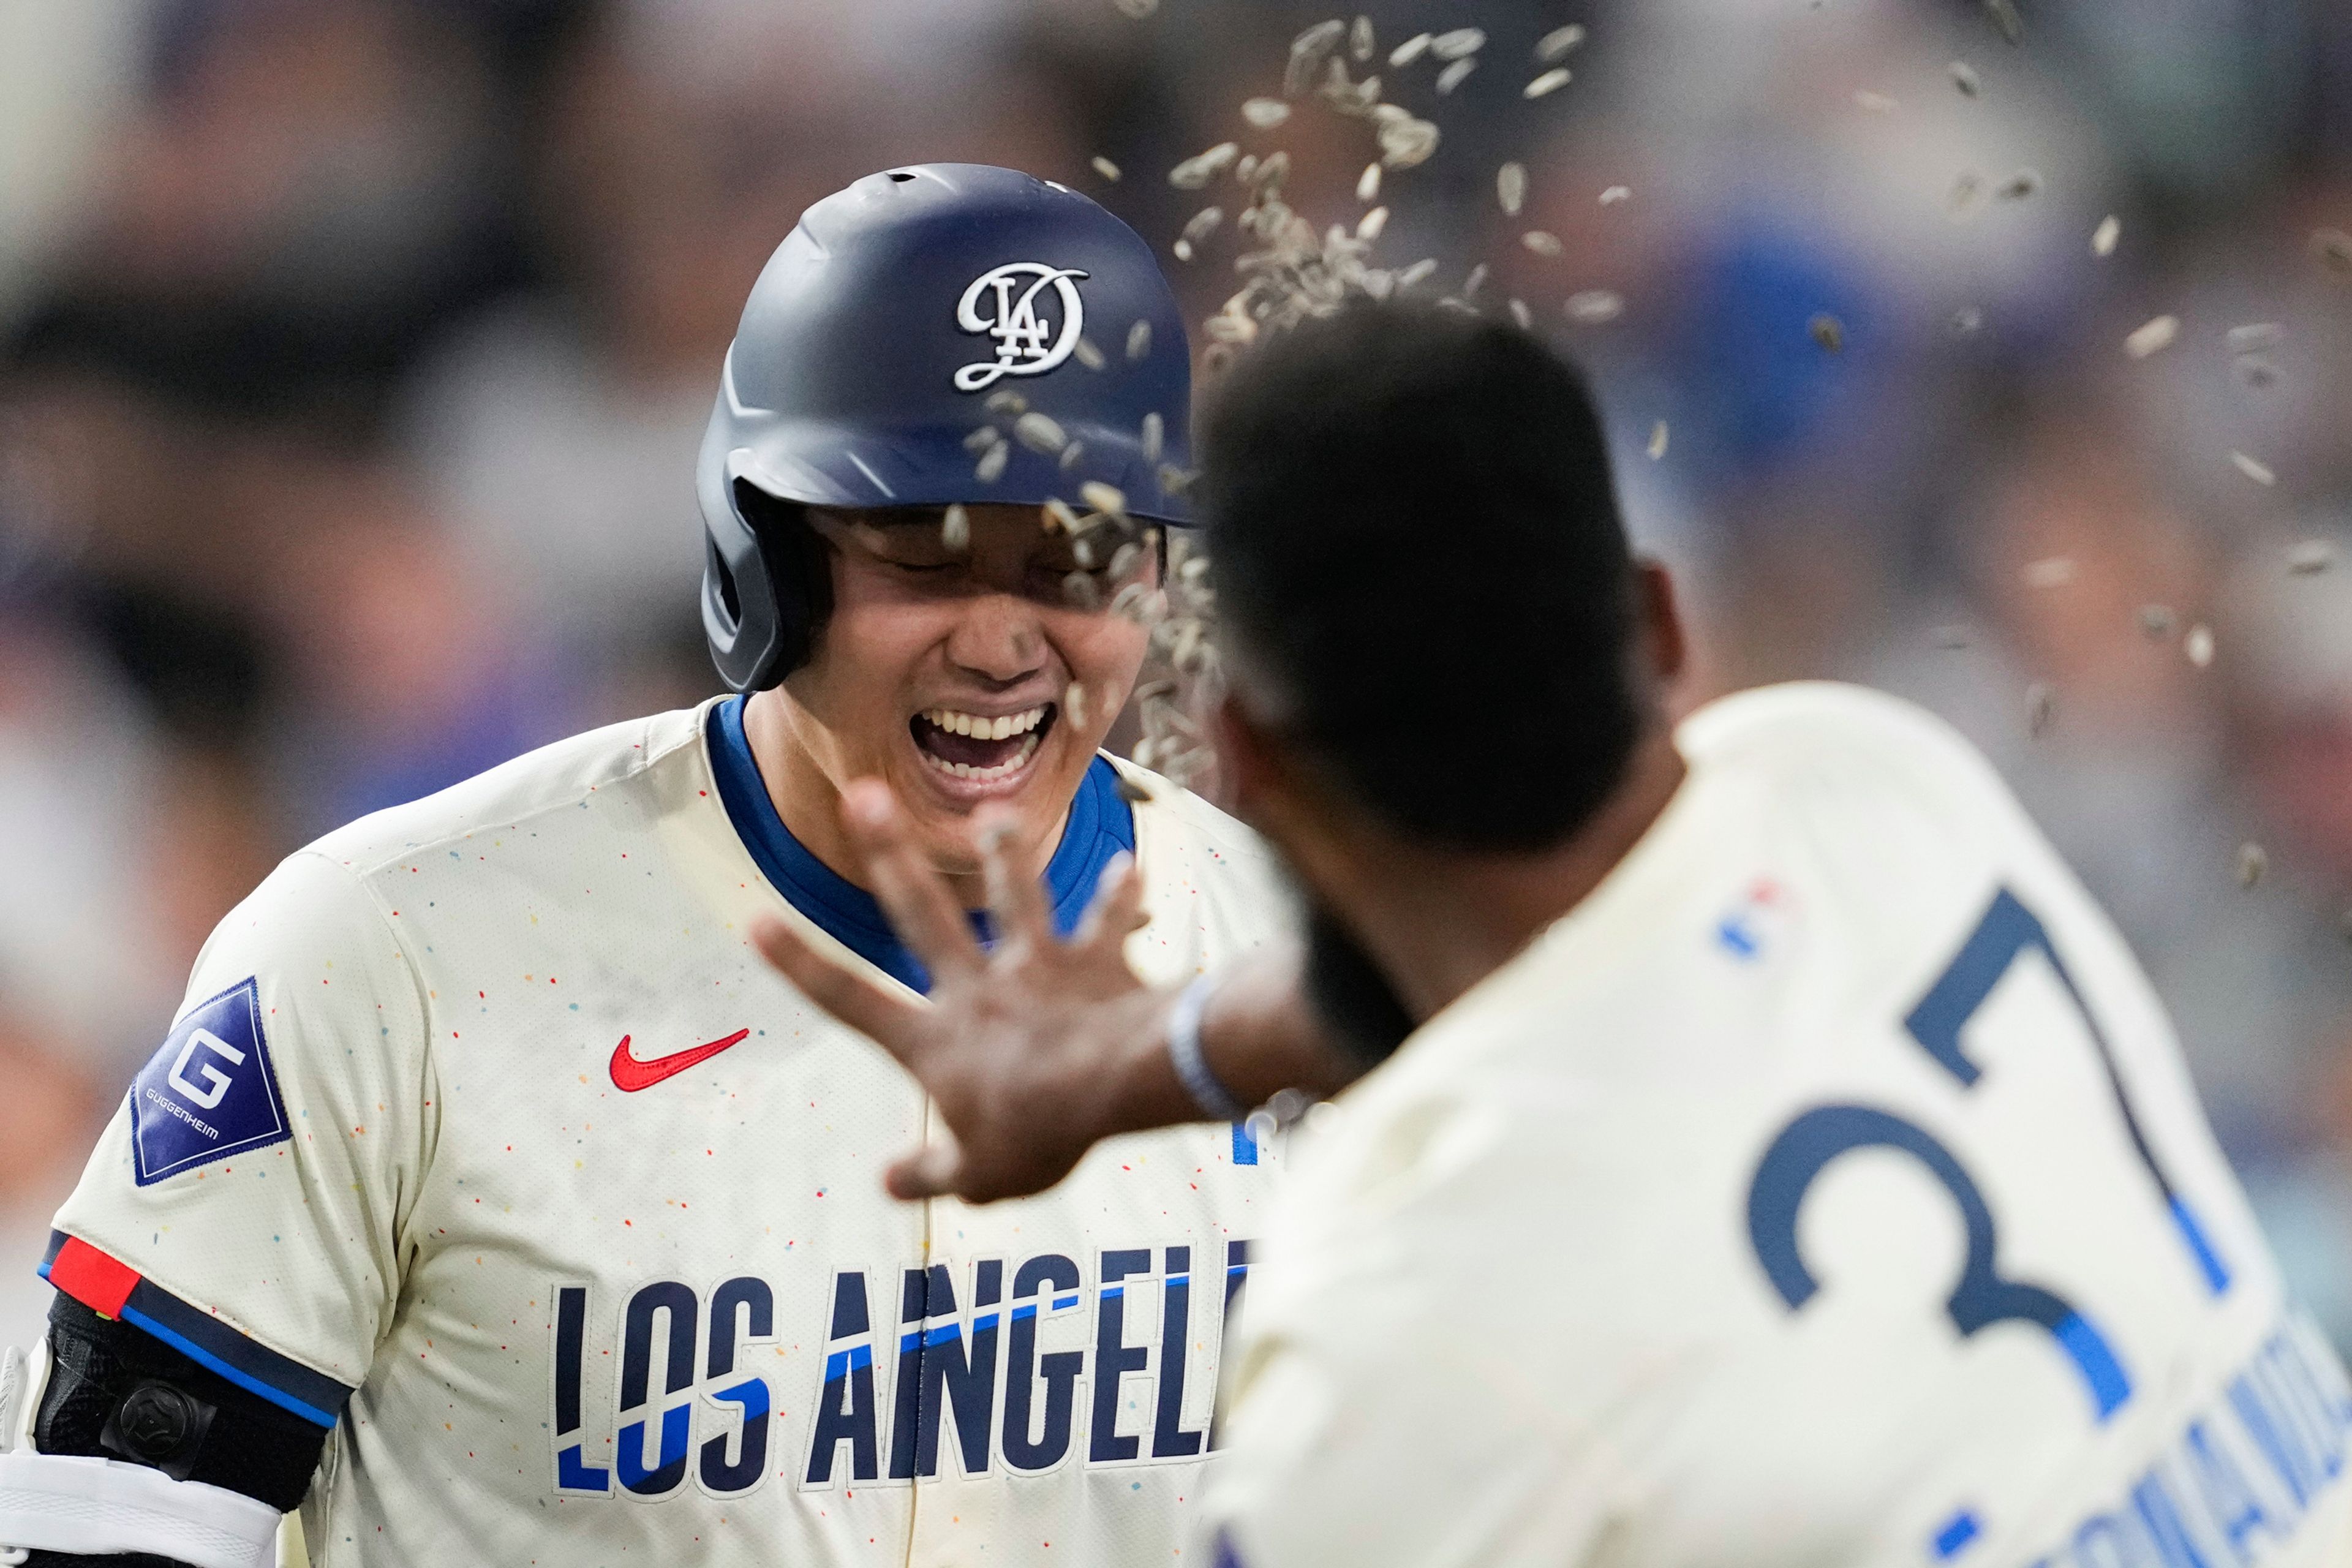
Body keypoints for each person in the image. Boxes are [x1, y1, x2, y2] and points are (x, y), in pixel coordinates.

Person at [751, 300, 2352, 1567]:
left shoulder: (1402, 1331)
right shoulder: (1870, 784)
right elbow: (1572, 975)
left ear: (1255, 766)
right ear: (1659, 624)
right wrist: (1125, 1066)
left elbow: (1509, 1009)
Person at [0, 165, 1292, 1567]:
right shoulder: (390, 950)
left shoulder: (1300, 969)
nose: (1001, 641)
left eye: (1077, 557)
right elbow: (110, 1523)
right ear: (766, 556)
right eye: (926, 554)